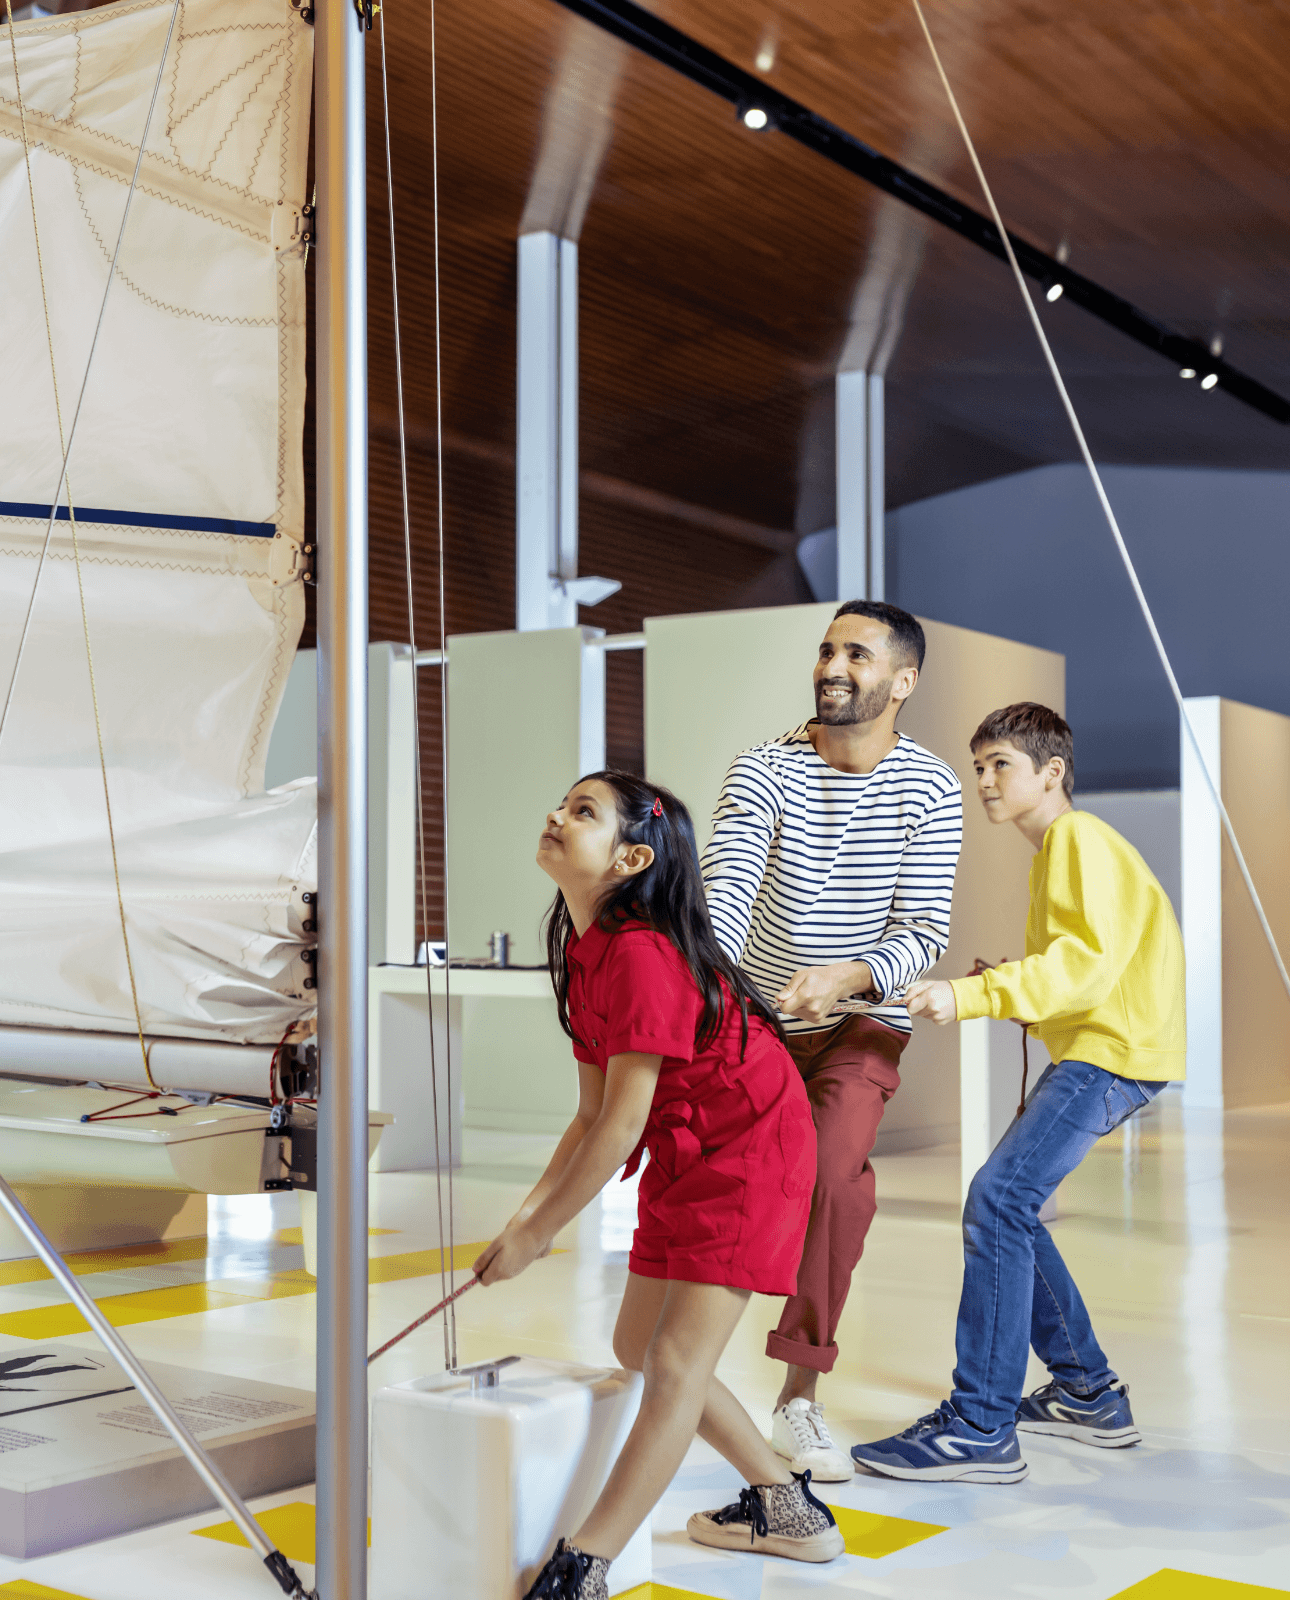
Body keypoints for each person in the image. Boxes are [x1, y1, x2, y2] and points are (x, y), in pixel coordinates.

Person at [475, 771, 845, 1600]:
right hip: (691, 1146)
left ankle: (586, 1565)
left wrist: (542, 1234)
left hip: (752, 1149)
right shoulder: (583, 950)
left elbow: (615, 1128)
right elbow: (590, 1113)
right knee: (636, 1346)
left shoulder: (643, 953)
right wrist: (525, 1219)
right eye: (561, 801)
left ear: (631, 857)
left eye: (582, 812)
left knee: (675, 1361)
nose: (555, 813)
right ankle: (787, 1508)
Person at [851, 703, 1185, 1484]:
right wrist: (1001, 984)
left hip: (1110, 1054)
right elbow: (1084, 966)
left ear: (1052, 772)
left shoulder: (1076, 839)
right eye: (979, 766)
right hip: (1113, 1047)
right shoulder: (1064, 851)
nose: (985, 781)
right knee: (1010, 1203)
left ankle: (979, 1426)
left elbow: (1087, 965)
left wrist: (976, 996)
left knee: (998, 1199)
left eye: (1001, 763)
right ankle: (1087, 1393)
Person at [701, 599, 963, 1481]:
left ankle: (798, 1398)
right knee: (726, 1178)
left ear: (903, 681)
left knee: (834, 1180)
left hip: (860, 1023)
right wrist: (719, 987)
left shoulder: (930, 786)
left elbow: (923, 932)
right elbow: (728, 887)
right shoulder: (764, 768)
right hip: (764, 1019)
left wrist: (846, 977)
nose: (833, 665)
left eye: (858, 653)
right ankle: (678, 1361)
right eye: (826, 649)